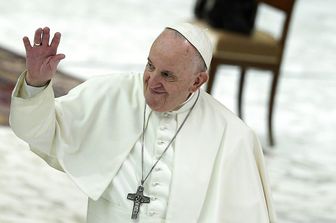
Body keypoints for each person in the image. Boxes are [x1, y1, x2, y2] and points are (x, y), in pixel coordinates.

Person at [10, 23, 276, 222]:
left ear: (197, 81)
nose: (152, 82)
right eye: (150, 66)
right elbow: (37, 131)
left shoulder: (232, 136)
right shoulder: (111, 94)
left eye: (167, 75)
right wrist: (36, 83)